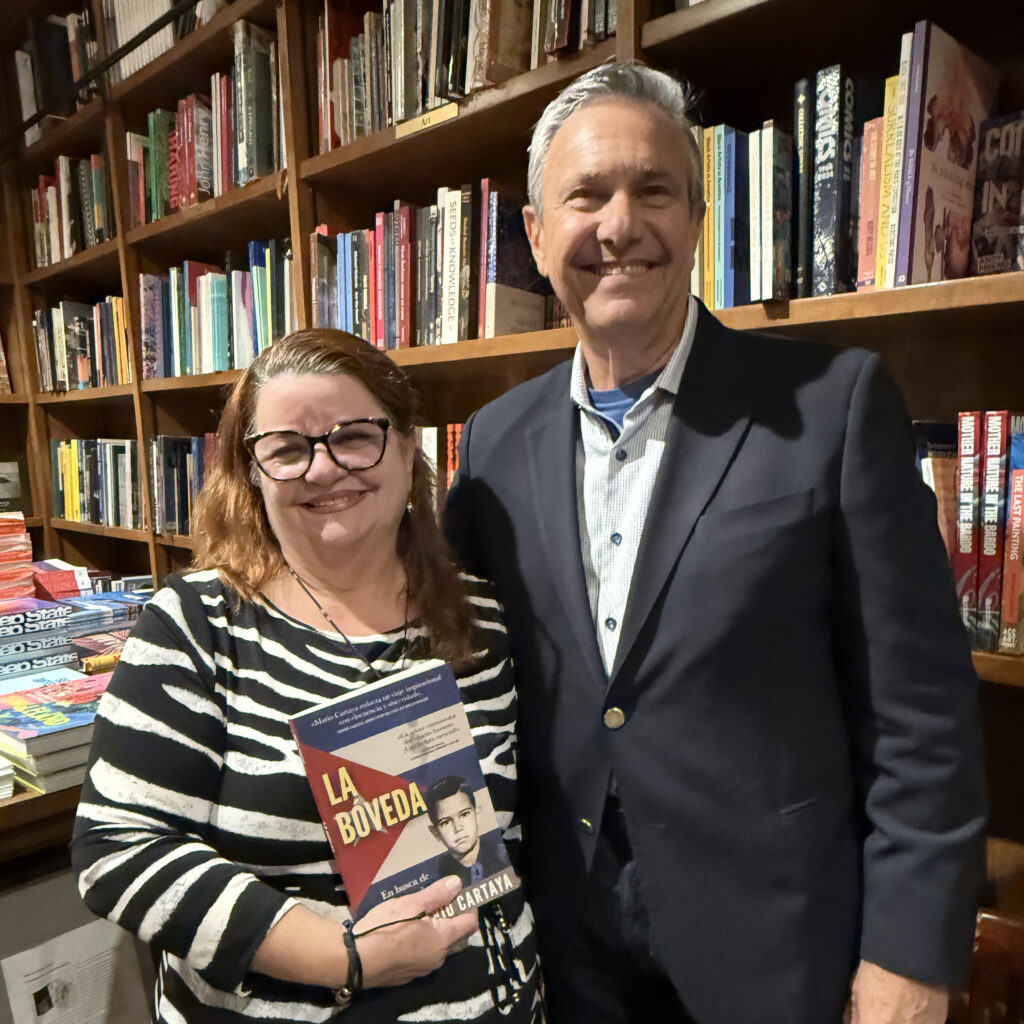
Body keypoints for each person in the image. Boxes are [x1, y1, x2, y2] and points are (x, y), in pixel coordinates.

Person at [445, 61, 987, 1024]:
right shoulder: (494, 441)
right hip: (566, 943)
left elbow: (923, 713)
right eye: (586, 196)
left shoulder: (834, 406)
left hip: (774, 944)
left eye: (653, 190)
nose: (619, 226)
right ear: (536, 232)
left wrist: (911, 958)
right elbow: (461, 662)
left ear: (697, 218)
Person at [71, 329, 542, 1024]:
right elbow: (117, 851)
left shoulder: (483, 616)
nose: (324, 469)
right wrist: (344, 956)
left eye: (354, 437)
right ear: (253, 472)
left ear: (406, 449)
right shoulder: (197, 624)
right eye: (288, 449)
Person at [426, 776, 510, 885]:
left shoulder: (507, 856)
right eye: (445, 822)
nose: (458, 828)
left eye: (464, 814)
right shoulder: (436, 882)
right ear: (435, 832)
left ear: (477, 814)